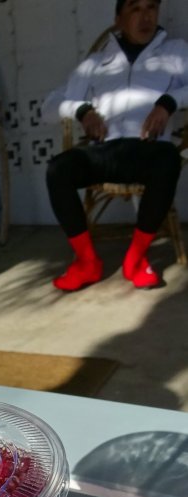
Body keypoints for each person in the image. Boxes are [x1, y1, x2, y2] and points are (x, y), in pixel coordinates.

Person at [42, 0, 188, 292]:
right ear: (119, 18)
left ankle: (136, 259)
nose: (145, 17)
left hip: (149, 148)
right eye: (135, 9)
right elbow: (49, 107)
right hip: (104, 150)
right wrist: (82, 111)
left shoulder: (175, 52)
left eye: (151, 7)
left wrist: (169, 102)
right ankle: (87, 262)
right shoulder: (95, 63)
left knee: (168, 159)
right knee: (58, 170)